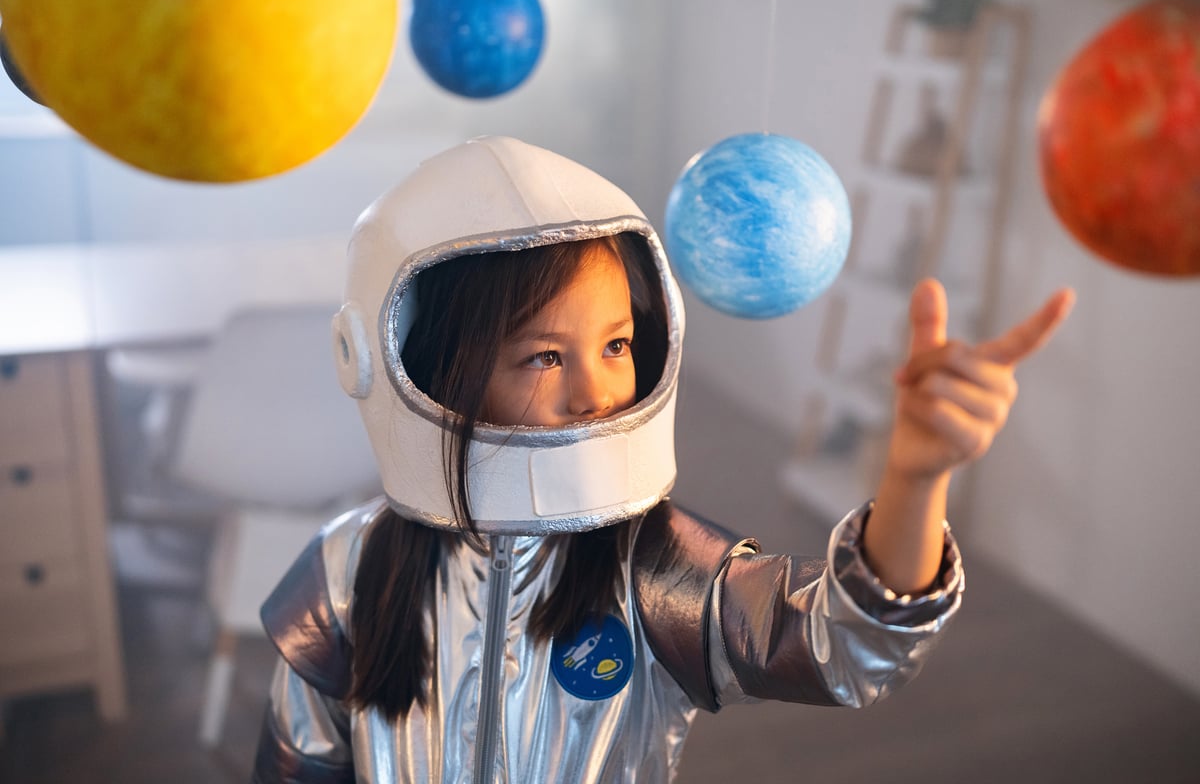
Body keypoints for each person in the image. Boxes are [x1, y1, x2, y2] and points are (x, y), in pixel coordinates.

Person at [251, 136, 1073, 783]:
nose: (596, 392)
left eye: (616, 345)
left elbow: (845, 647)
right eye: (544, 357)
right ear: (426, 367)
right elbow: (298, 765)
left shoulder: (654, 567)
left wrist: (916, 476)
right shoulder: (346, 572)